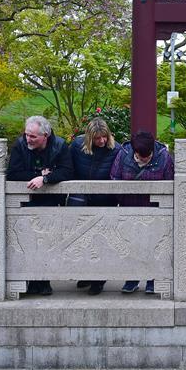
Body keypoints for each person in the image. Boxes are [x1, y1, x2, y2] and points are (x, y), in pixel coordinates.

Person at [6, 115, 74, 296]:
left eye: (33, 136)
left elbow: (67, 171)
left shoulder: (59, 146)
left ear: (45, 135)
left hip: (51, 202)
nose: (28, 139)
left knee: (47, 242)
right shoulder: (20, 145)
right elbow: (12, 173)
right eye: (27, 134)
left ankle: (43, 281)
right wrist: (37, 174)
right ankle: (32, 281)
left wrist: (45, 179)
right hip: (26, 202)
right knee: (29, 242)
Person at [110, 131, 174, 294]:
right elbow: (114, 178)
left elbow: (170, 181)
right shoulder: (124, 154)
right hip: (130, 208)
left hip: (155, 210)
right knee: (132, 245)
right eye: (140, 155)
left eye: (147, 155)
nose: (144, 158)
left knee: (154, 245)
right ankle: (132, 278)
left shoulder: (163, 156)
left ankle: (153, 279)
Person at [69, 118, 122, 295]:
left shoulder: (116, 149)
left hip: (105, 200)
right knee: (82, 240)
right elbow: (69, 169)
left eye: (104, 137)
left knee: (101, 242)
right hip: (81, 199)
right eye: (97, 138)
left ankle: (98, 280)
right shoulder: (77, 146)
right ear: (89, 138)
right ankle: (86, 273)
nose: (101, 141)